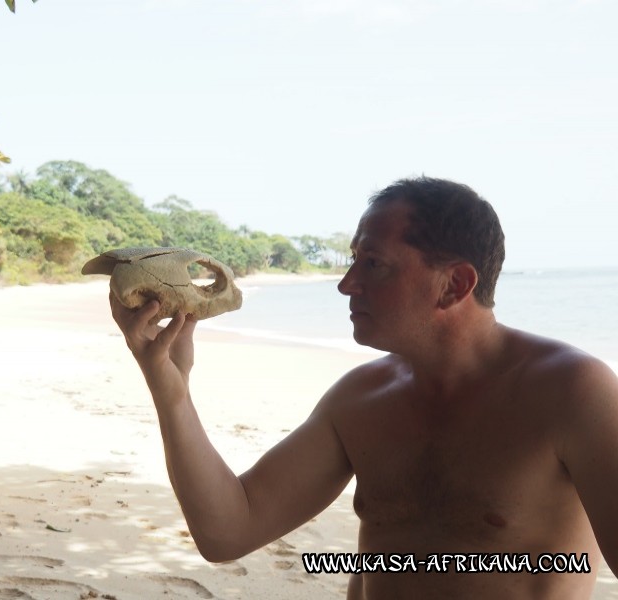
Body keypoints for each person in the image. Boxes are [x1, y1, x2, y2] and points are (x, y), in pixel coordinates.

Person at [109, 176, 618, 599]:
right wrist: (170, 384)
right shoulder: (360, 400)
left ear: (455, 284)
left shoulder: (571, 393)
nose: (347, 283)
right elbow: (227, 530)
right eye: (354, 260)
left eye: (373, 264)